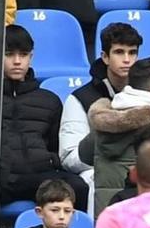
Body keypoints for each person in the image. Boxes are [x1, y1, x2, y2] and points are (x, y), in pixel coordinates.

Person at [0, 24, 89, 210]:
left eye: (23, 55)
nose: (17, 61)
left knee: (78, 186)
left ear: (31, 57)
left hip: (40, 176)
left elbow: (56, 146)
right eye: (9, 54)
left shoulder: (49, 100)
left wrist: (50, 161)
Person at [59, 19, 139, 199]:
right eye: (119, 52)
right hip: (97, 170)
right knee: (95, 181)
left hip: (141, 170)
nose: (127, 59)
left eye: (132, 53)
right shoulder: (80, 98)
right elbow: (69, 157)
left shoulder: (146, 94)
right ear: (104, 56)